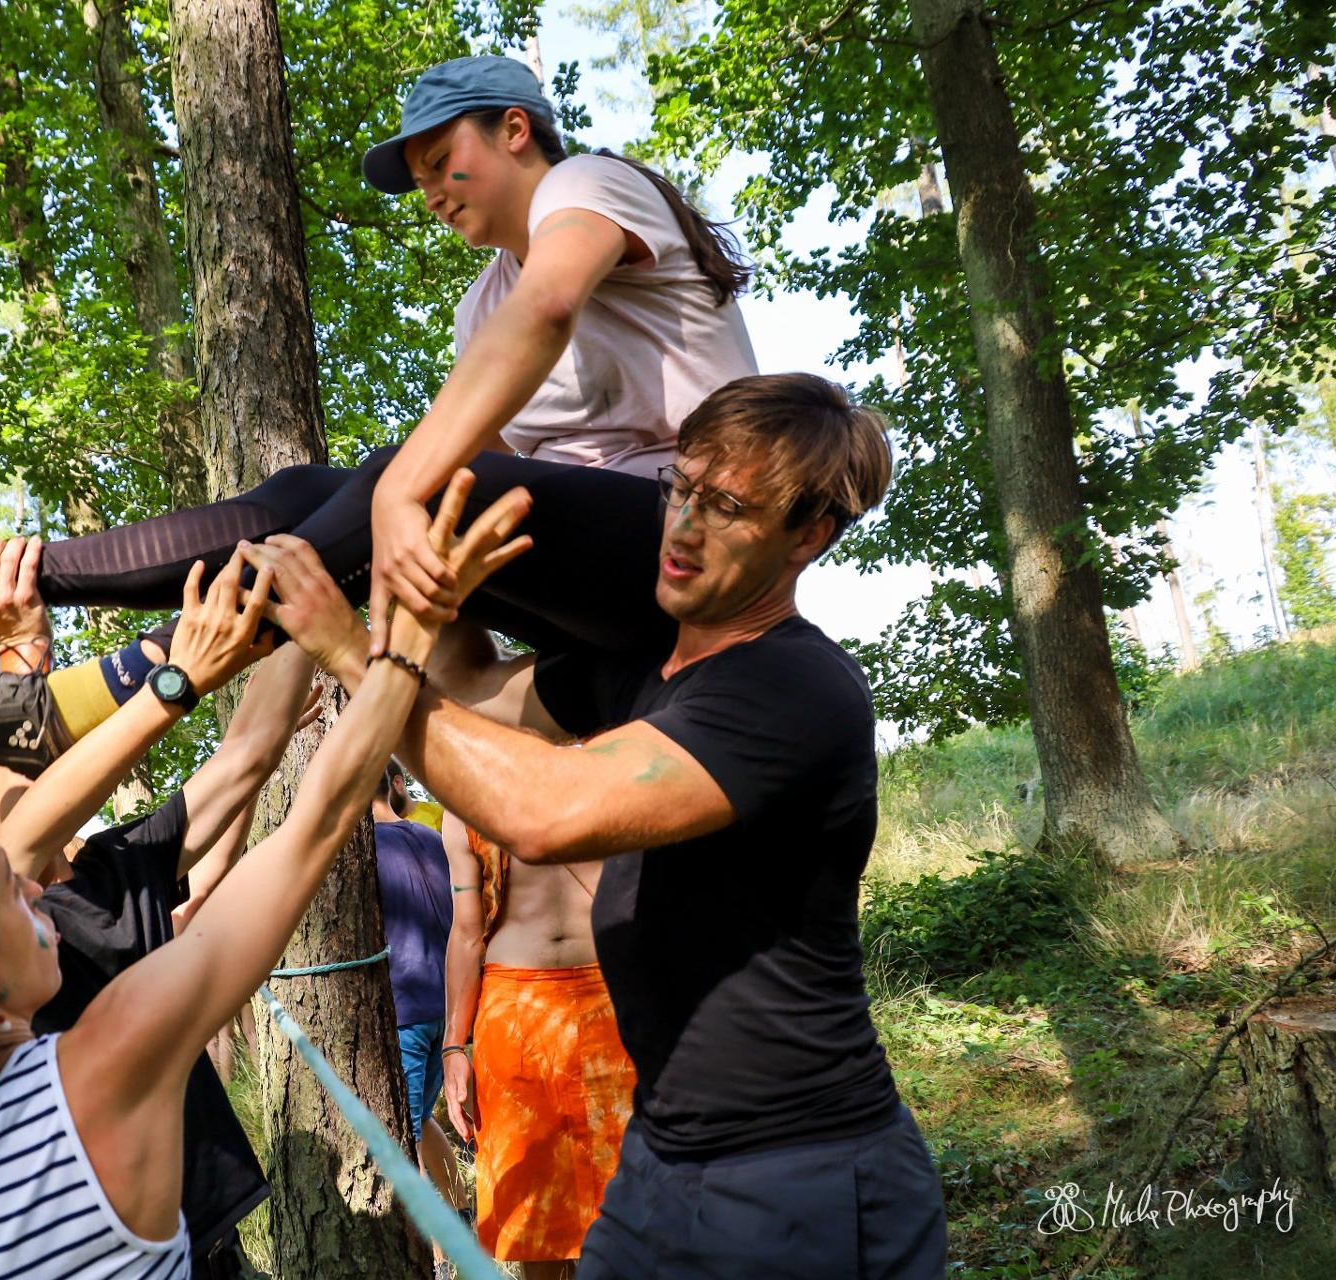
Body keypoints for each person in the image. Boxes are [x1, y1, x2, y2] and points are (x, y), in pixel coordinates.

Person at [0, 52, 758, 731]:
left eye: (440, 162)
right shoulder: (478, 307)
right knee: (305, 492)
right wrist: (394, 556)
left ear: (515, 130)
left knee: (396, 478)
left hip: (696, 534)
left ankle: (88, 696)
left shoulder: (588, 187)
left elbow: (548, 308)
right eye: (418, 178)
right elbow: (484, 469)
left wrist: (400, 493)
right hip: (599, 584)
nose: (430, 192)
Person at [251, 374, 948, 1278]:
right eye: (680, 488)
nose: (683, 527)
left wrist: (349, 649)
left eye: (727, 507)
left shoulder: (793, 688)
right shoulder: (648, 672)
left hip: (797, 1170)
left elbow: (543, 811)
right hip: (662, 1155)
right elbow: (470, 697)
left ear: (808, 534)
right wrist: (423, 596)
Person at [0, 475, 532, 1279]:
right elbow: (313, 825)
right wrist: (404, 633)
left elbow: (55, 825)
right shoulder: (97, 1082)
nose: (32, 887)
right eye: (8, 895)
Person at [0, 536, 321, 1278]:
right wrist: (27, 656)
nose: (46, 756)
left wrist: (307, 596)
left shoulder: (111, 866)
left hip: (203, 1244)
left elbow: (245, 754)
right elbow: (17, 835)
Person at [440, 808, 633, 1279]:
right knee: (533, 1214)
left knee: (629, 1204)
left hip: (613, 1001)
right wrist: (453, 1045)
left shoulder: (614, 776)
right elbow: (466, 932)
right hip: (517, 1013)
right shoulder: (465, 802)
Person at [368, 761, 463, 1222]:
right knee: (421, 1119)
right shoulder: (432, 836)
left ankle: (437, 1251)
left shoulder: (364, 849)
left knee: (404, 1135)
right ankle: (464, 1215)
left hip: (405, 1009)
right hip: (445, 1005)